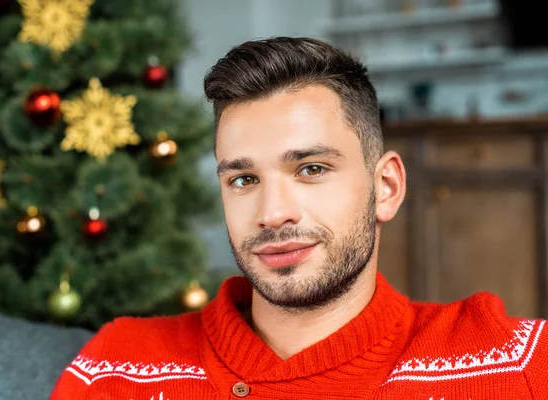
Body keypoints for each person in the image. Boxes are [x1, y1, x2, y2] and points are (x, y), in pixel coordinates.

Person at [49, 37, 548, 400]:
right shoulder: (118, 368)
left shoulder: (514, 361)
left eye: (311, 168)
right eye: (243, 180)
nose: (271, 214)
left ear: (386, 187)